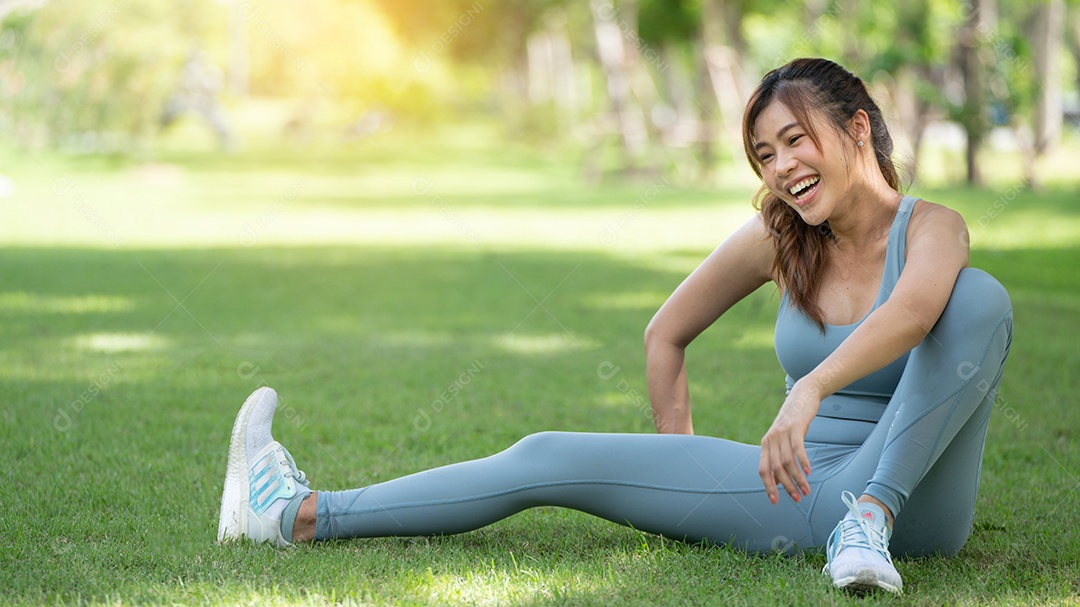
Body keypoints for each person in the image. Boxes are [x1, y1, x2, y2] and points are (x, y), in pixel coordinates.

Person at [218, 58, 1013, 594]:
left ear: (860, 129)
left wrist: (810, 388)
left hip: (912, 509)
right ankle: (294, 513)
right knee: (545, 455)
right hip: (802, 494)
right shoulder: (780, 236)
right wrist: (681, 466)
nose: (780, 168)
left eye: (796, 141)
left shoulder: (934, 228)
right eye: (763, 153)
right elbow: (665, 333)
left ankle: (867, 520)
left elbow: (915, 314)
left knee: (979, 301)